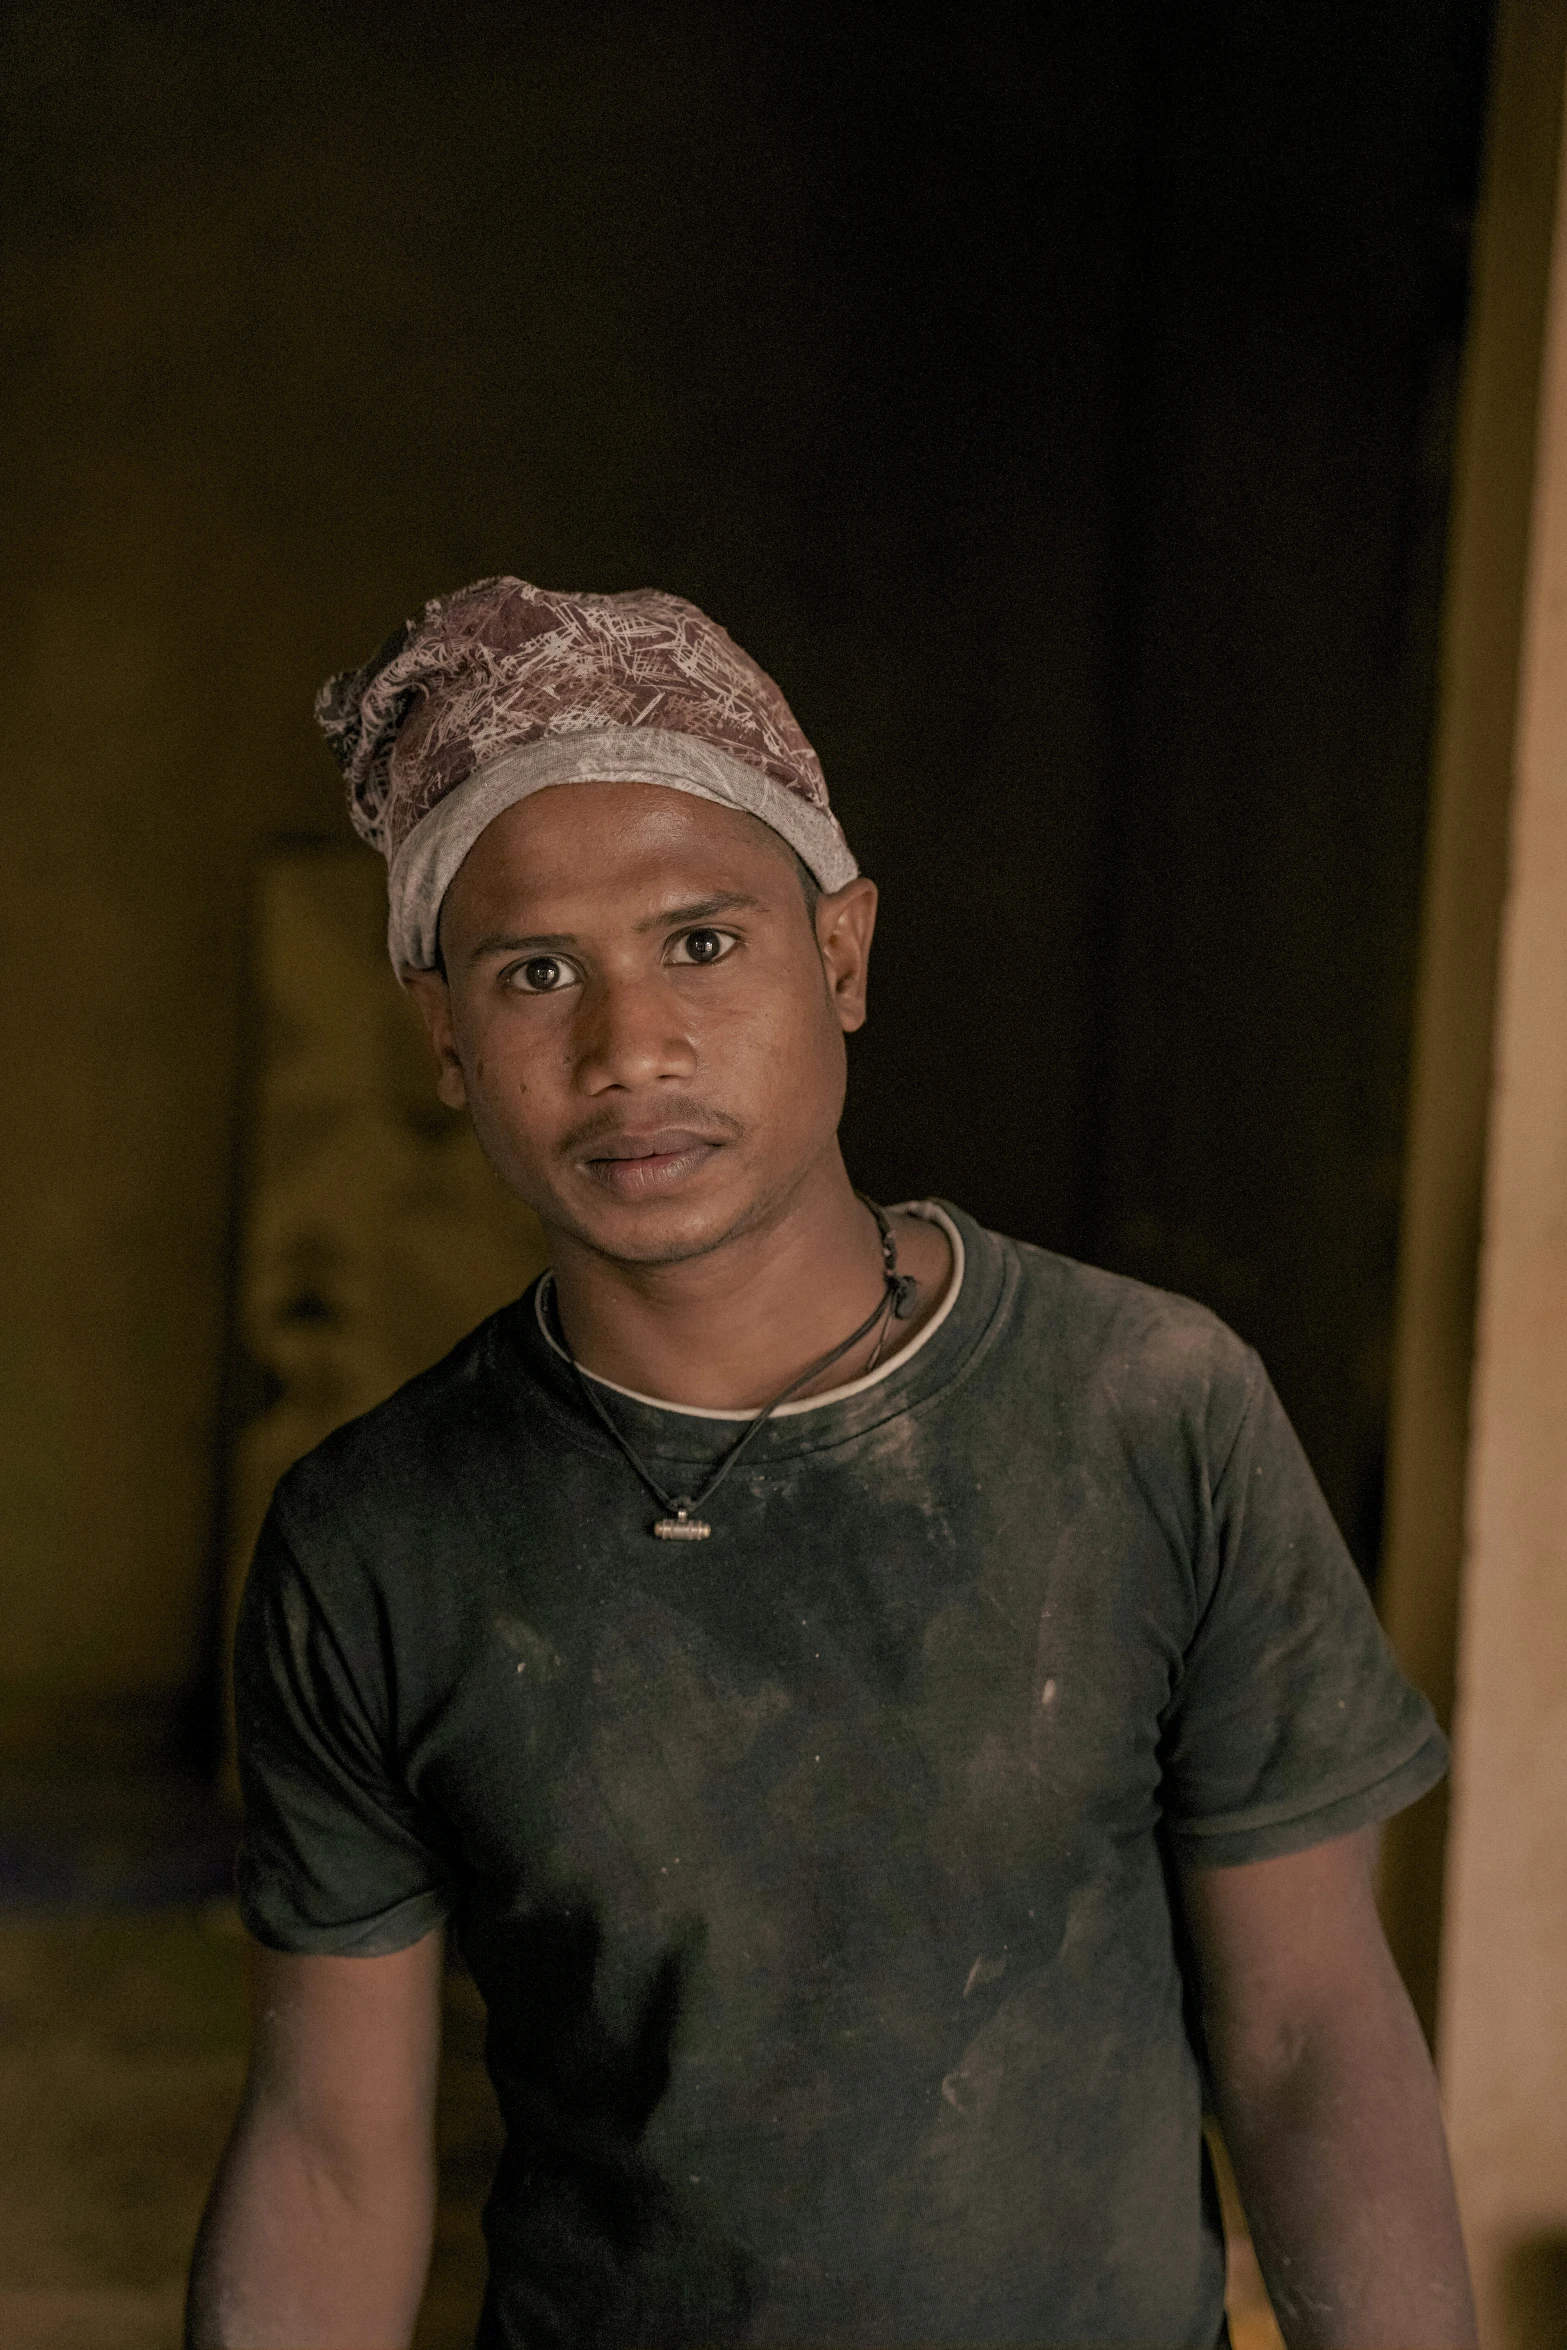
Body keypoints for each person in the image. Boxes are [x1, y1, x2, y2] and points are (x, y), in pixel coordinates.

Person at [187, 578, 1477, 2350]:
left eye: (702, 942)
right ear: (440, 1036)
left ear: (843, 955)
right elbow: (330, 2153)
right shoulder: (377, 1536)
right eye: (535, 971)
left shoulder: (1145, 1409)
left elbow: (1308, 2028)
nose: (628, 1048)